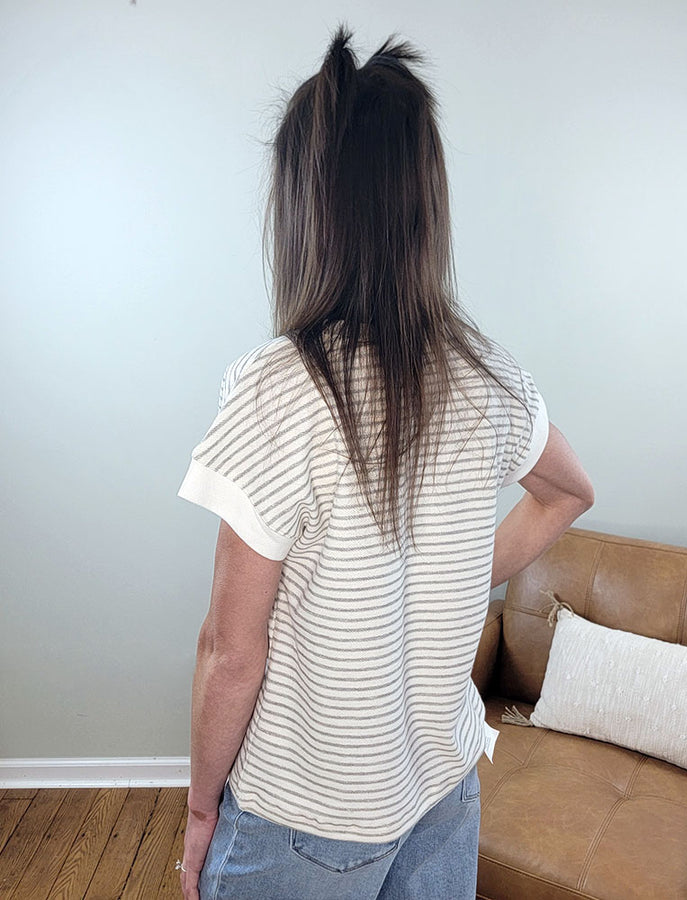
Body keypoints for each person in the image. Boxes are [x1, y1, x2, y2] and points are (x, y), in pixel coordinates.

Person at [175, 23, 594, 900]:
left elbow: (230, 652)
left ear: (305, 207)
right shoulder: (486, 375)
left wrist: (200, 811)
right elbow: (566, 492)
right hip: (440, 793)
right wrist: (442, 574)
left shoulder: (279, 388)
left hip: (304, 813)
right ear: (422, 205)